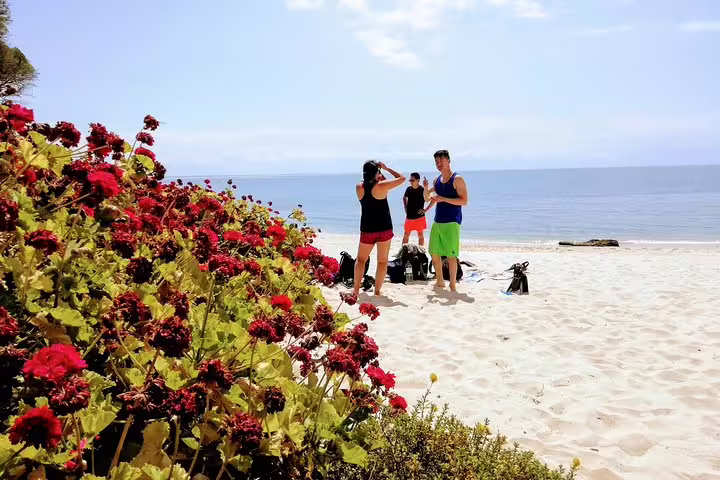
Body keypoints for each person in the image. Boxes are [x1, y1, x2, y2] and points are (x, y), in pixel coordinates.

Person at [354, 160, 405, 296]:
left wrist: (378, 175)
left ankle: (356, 290)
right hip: (384, 228)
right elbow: (402, 178)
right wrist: (387, 168)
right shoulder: (382, 186)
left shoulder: (359, 187)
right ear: (377, 173)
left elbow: (372, 185)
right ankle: (377, 291)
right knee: (382, 261)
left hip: (367, 229)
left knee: (360, 260)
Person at [423, 150, 468, 292]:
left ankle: (453, 285)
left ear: (448, 161)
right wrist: (425, 188)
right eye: (436, 161)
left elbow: (464, 201)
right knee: (434, 252)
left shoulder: (457, 179)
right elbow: (426, 198)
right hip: (438, 221)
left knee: (451, 255)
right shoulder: (436, 180)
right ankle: (440, 281)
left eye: (441, 161)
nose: (439, 164)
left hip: (452, 222)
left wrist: (443, 199)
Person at [402, 173, 435, 246]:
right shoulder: (408, 189)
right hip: (409, 217)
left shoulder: (422, 190)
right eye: (410, 180)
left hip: (420, 217)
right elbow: (404, 198)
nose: (411, 182)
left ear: (418, 180)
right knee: (406, 235)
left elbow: (432, 199)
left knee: (420, 235)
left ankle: (421, 252)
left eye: (412, 180)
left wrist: (426, 210)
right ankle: (403, 252)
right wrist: (405, 207)